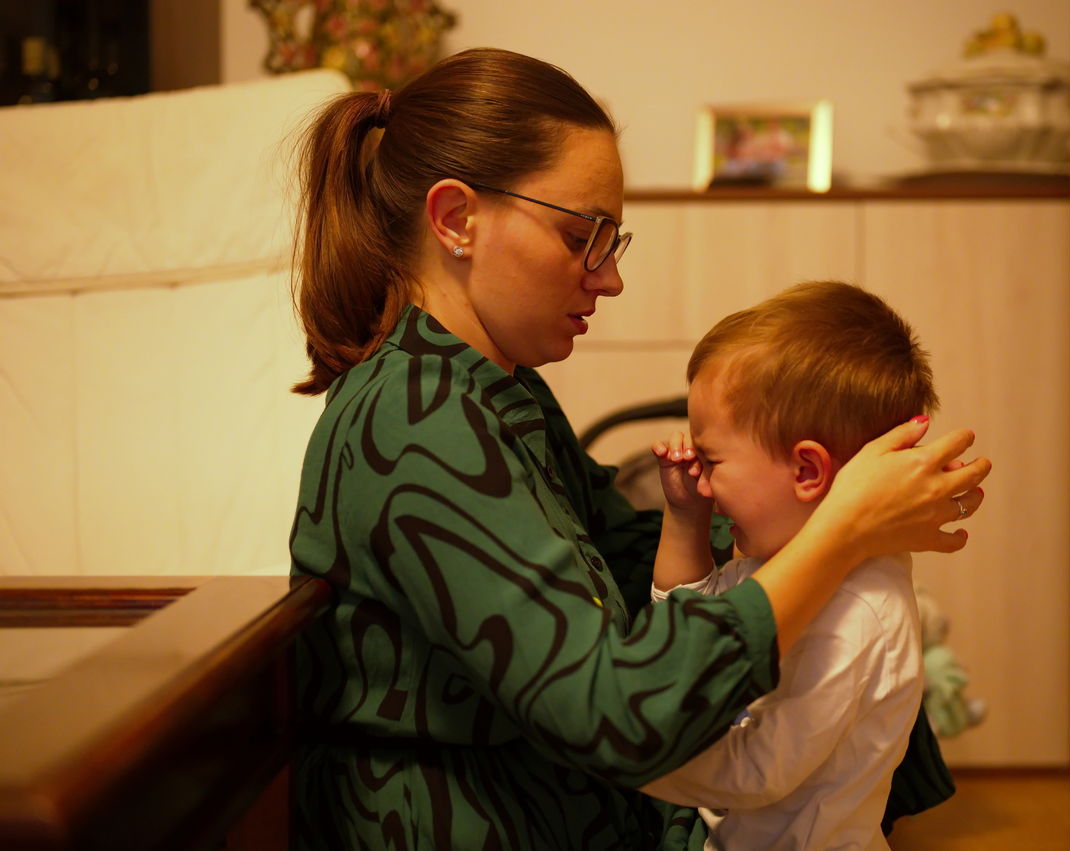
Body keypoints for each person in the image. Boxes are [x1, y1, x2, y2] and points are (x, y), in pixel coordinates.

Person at [287, 47, 989, 850]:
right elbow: (612, 711)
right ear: (456, 220)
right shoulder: (416, 420)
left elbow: (622, 558)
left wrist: (826, 507)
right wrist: (842, 529)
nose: (609, 278)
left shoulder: (492, 389)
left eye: (612, 241)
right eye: (583, 235)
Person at [641, 281, 947, 849]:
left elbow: (759, 770)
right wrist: (685, 517)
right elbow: (687, 636)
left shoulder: (856, 609)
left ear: (807, 471)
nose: (702, 479)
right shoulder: (779, 560)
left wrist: (625, 753)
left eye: (713, 461)